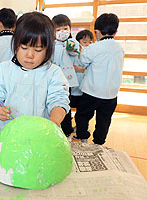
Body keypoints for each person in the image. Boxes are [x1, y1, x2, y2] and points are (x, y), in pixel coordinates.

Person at [0, 12, 70, 134]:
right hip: (7, 133)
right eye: (24, 48)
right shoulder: (4, 69)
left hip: (40, 135)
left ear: (48, 49)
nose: (30, 55)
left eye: (38, 50)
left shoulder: (54, 73)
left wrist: (54, 121)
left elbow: (59, 101)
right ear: (15, 44)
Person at [74, 13, 124, 145]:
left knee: (82, 115)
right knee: (104, 120)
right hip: (111, 94)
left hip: (92, 91)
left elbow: (82, 62)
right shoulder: (120, 48)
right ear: (116, 32)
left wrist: (82, 51)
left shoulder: (94, 48)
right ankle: (99, 142)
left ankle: (82, 136)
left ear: (96, 32)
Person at [51, 14, 79, 139]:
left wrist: (70, 46)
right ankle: (54, 125)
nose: (62, 32)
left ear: (70, 29)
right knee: (53, 103)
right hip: (53, 79)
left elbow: (74, 49)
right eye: (58, 30)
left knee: (65, 104)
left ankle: (67, 130)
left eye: (65, 29)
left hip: (67, 80)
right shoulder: (51, 44)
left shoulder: (71, 42)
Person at [71, 30, 94, 116]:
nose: (87, 44)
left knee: (83, 110)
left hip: (86, 89)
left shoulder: (92, 55)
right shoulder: (73, 54)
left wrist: (81, 70)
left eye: (90, 42)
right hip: (75, 87)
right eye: (84, 42)